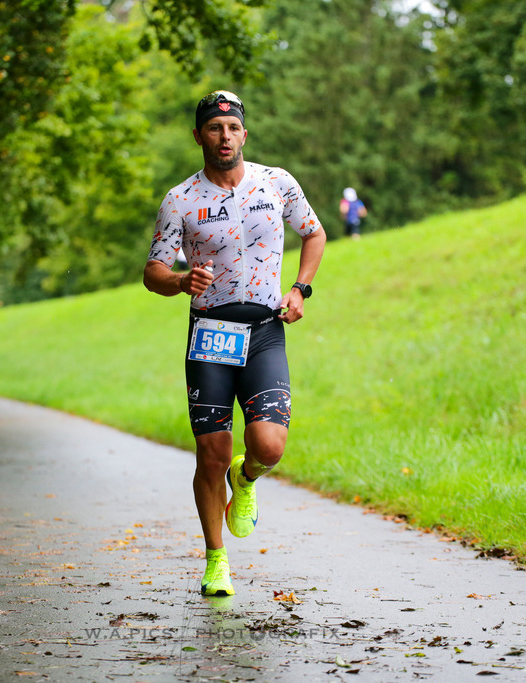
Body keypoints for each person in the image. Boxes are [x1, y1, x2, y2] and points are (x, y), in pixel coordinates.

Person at [143, 90, 326, 597]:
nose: (225, 137)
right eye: (214, 128)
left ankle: (245, 482)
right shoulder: (181, 200)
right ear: (199, 135)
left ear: (244, 133)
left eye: (233, 128)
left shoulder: (277, 183)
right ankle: (216, 559)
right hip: (211, 335)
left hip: (265, 329)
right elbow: (153, 271)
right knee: (211, 454)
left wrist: (300, 289)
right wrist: (180, 281)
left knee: (268, 445)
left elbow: (315, 234)